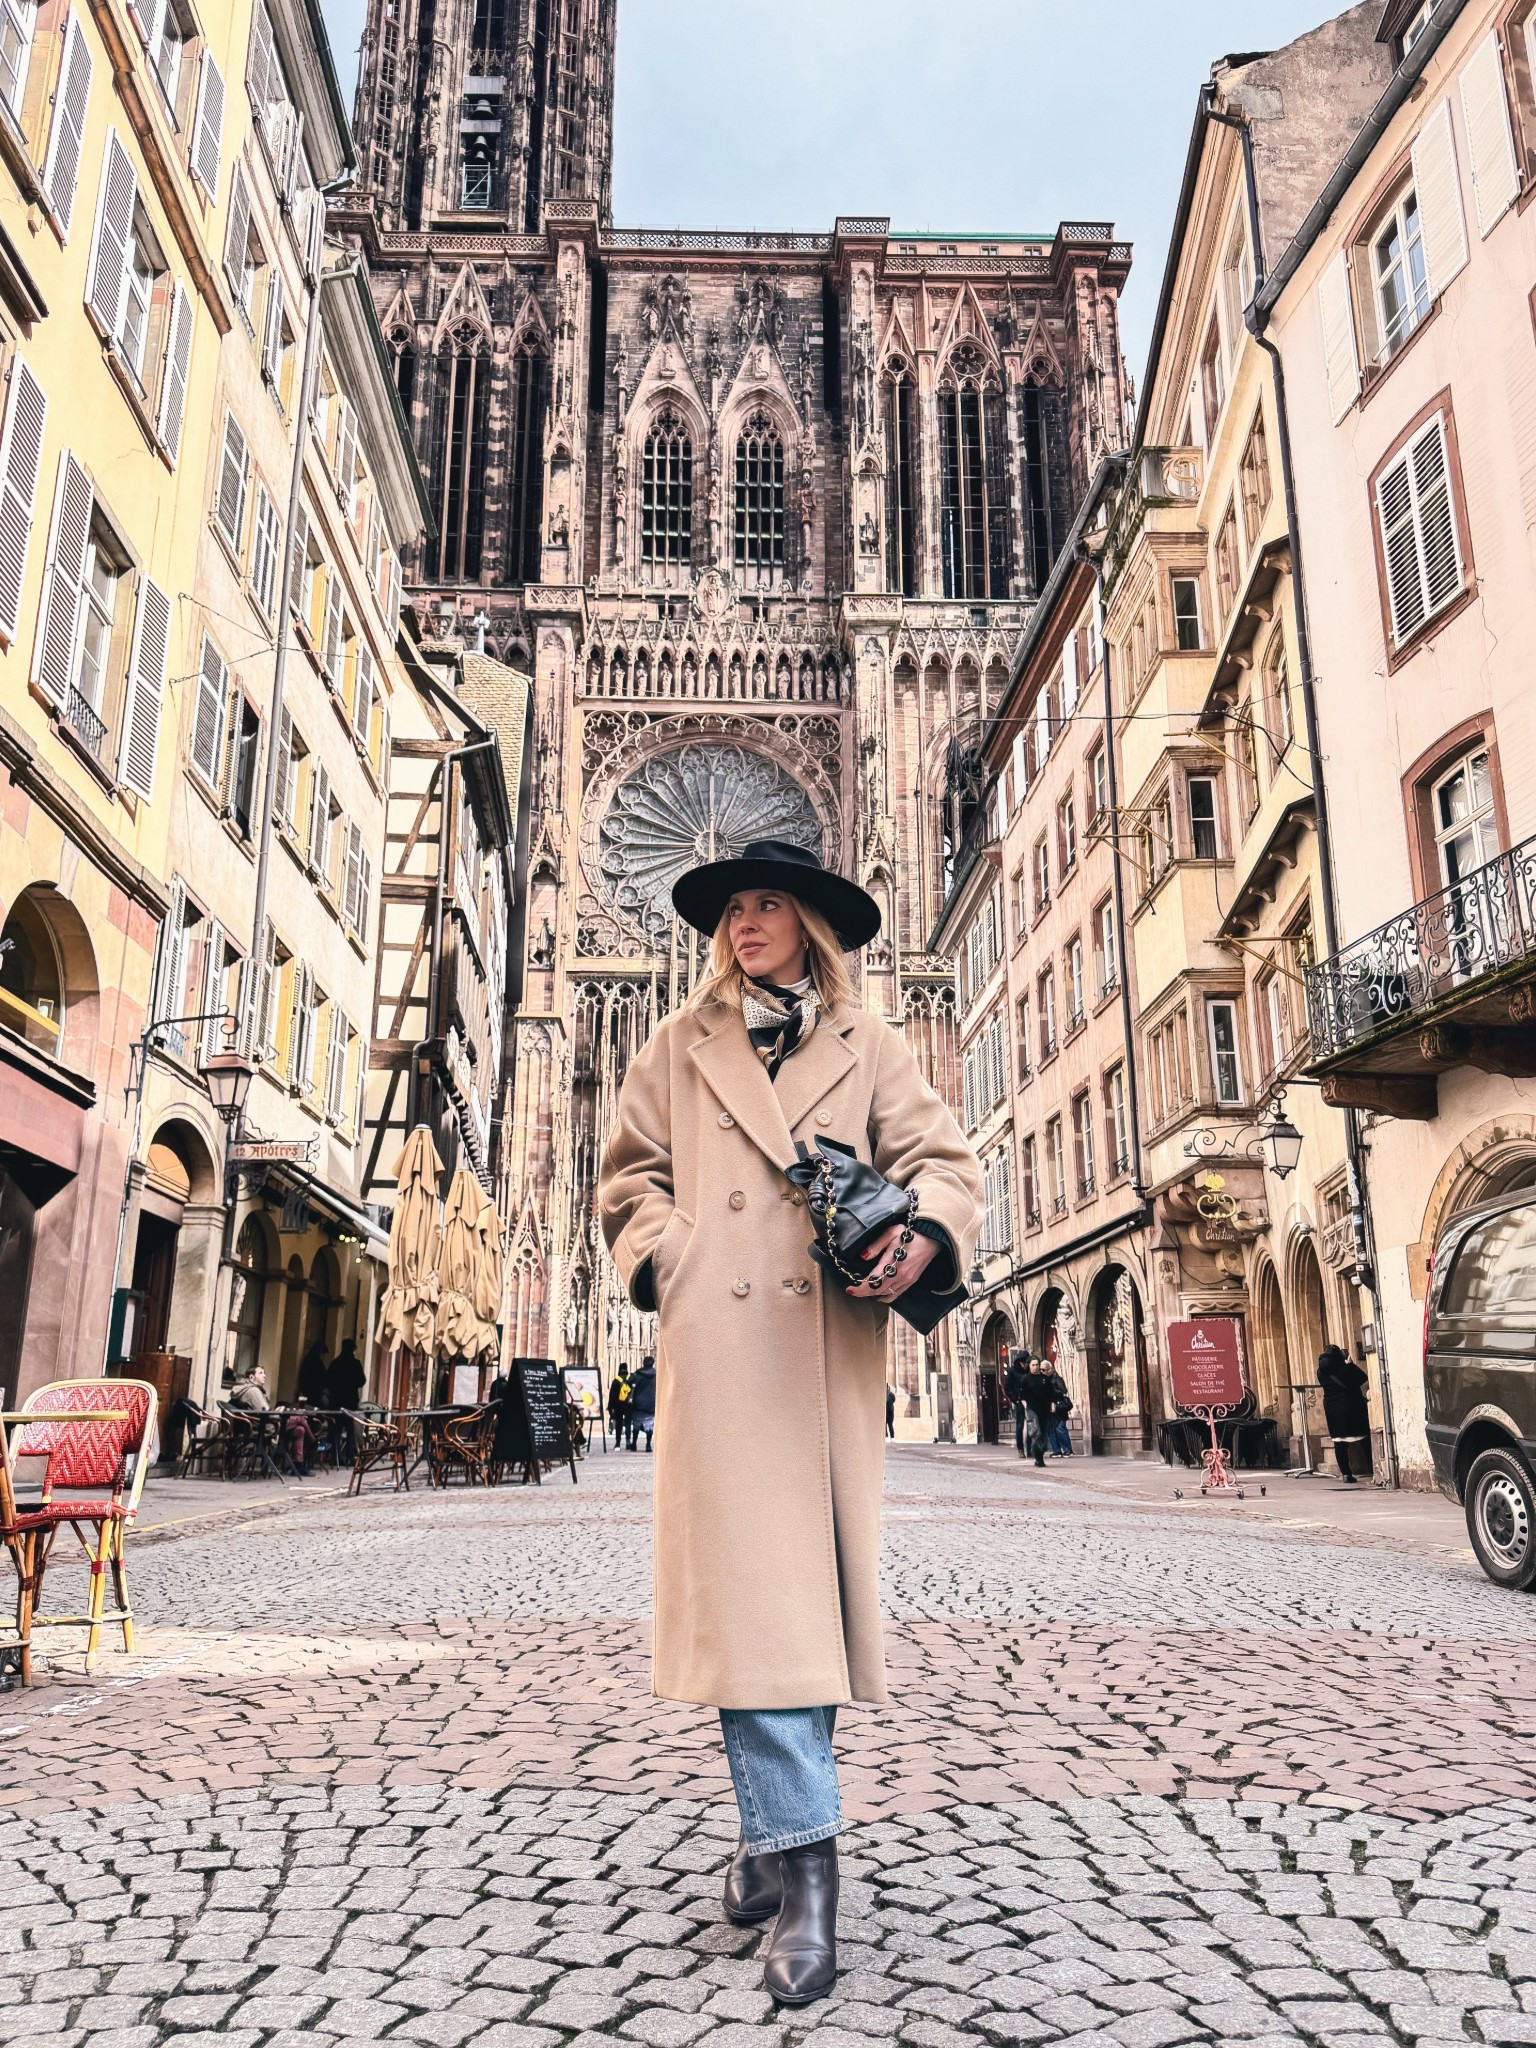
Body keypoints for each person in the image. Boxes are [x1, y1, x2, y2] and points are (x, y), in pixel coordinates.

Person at [600, 838, 982, 2009]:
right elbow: (627, 1177)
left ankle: (774, 1845)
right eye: (732, 910)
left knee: (794, 1614)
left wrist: (927, 1232)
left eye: (768, 904)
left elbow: (943, 1162)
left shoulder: (873, 1044)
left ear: (810, 920)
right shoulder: (678, 1042)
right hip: (723, 1349)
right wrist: (670, 1255)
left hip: (819, 1352)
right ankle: (809, 1872)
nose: (745, 924)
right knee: (761, 1608)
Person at [1318, 1343, 1370, 1484]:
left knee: (1339, 1442)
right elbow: (1362, 1378)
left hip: (1332, 1409)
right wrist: (1350, 1365)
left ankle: (1346, 1474)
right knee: (1364, 1438)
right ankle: (1372, 1469)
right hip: (1351, 1405)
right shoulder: (1345, 1369)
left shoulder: (1320, 1371)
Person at [328, 1339, 367, 1466]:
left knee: (336, 1429)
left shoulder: (335, 1363)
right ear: (353, 1349)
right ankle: (350, 1456)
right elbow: (362, 1381)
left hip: (337, 1400)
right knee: (350, 1429)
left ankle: (335, 1456)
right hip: (350, 1400)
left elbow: (329, 1380)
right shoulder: (355, 1364)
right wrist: (351, 1383)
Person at [1018, 1357, 1058, 1468]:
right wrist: (1026, 1406)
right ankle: (1038, 1457)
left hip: (1044, 1409)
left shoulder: (1045, 1378)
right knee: (1036, 1432)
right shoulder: (1026, 1379)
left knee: (1044, 1432)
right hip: (1032, 1409)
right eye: (1033, 1365)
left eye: (1037, 1365)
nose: (1035, 1367)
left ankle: (1040, 1454)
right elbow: (1022, 1396)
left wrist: (1052, 1405)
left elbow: (1051, 1394)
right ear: (1029, 1366)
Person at [1003, 1352, 1032, 1458]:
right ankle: (1020, 1449)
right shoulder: (1013, 1371)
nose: (1024, 1365)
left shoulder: (1029, 1371)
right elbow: (1007, 1387)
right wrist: (1015, 1399)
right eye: (1023, 1363)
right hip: (1019, 1402)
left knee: (1031, 1425)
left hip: (1029, 1401)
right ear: (1019, 1362)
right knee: (1020, 1425)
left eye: (1026, 1363)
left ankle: (1030, 1449)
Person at [1045, 1366, 1074, 1457]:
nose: (1041, 1371)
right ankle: (1056, 1450)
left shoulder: (1056, 1379)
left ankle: (1067, 1450)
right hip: (1049, 1409)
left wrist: (1052, 1391)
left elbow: (1063, 1391)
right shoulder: (1044, 1380)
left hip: (1059, 1408)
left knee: (1060, 1429)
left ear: (1049, 1369)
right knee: (1051, 1430)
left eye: (1043, 1369)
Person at [632, 1354, 657, 1452]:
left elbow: (629, 1383)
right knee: (649, 1425)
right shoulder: (656, 1375)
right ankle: (648, 1444)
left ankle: (634, 1444)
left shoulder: (637, 1374)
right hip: (651, 1403)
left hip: (638, 1402)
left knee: (636, 1424)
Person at [296, 1340, 329, 1408]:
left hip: (308, 1391)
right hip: (314, 1392)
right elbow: (322, 1377)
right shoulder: (316, 1361)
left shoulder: (308, 1359)